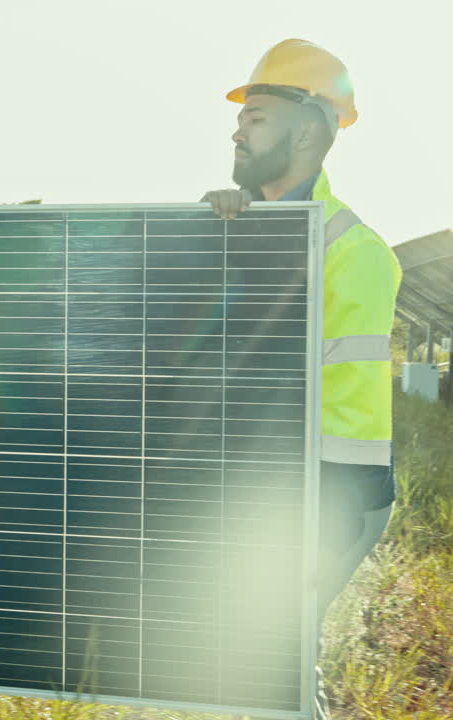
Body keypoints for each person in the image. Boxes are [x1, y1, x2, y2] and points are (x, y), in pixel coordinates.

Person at [199, 40, 403, 627]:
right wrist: (201, 237)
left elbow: (349, 424)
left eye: (256, 119)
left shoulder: (354, 252)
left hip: (336, 494)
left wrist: (317, 532)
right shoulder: (237, 227)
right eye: (238, 120)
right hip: (266, 486)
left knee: (281, 646)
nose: (237, 135)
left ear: (308, 135)